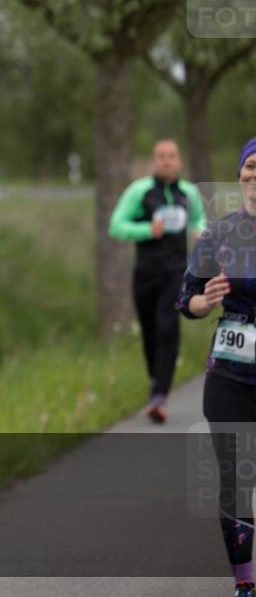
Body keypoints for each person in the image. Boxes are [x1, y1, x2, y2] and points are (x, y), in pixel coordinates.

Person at [179, 136, 256, 597]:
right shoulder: (220, 234)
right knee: (235, 476)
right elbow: (186, 298)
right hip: (230, 373)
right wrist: (202, 302)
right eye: (249, 166)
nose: (255, 175)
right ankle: (245, 583)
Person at [108, 139, 206, 423]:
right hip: (145, 273)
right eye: (161, 156)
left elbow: (199, 220)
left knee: (167, 328)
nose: (166, 161)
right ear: (154, 161)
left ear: (179, 161)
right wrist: (147, 229)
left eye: (172, 156)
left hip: (176, 272)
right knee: (150, 333)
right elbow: (116, 225)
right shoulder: (140, 191)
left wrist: (200, 233)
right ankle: (157, 382)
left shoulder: (189, 193)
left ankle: (159, 396)